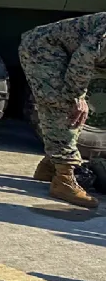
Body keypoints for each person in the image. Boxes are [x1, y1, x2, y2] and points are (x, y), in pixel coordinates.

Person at [18, 13, 106, 213]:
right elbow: (83, 59)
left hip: (65, 53)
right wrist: (76, 96)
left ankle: (50, 166)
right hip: (42, 49)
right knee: (64, 107)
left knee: (71, 107)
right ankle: (63, 179)